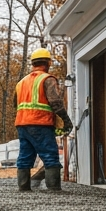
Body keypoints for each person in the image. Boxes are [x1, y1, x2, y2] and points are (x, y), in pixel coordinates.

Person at [14, 48, 73, 192]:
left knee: (25, 156)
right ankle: (54, 188)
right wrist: (66, 120)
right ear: (48, 63)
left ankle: (24, 187)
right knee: (50, 155)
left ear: (33, 63)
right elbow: (55, 102)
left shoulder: (21, 82)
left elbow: (15, 104)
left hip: (22, 124)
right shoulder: (47, 79)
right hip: (41, 123)